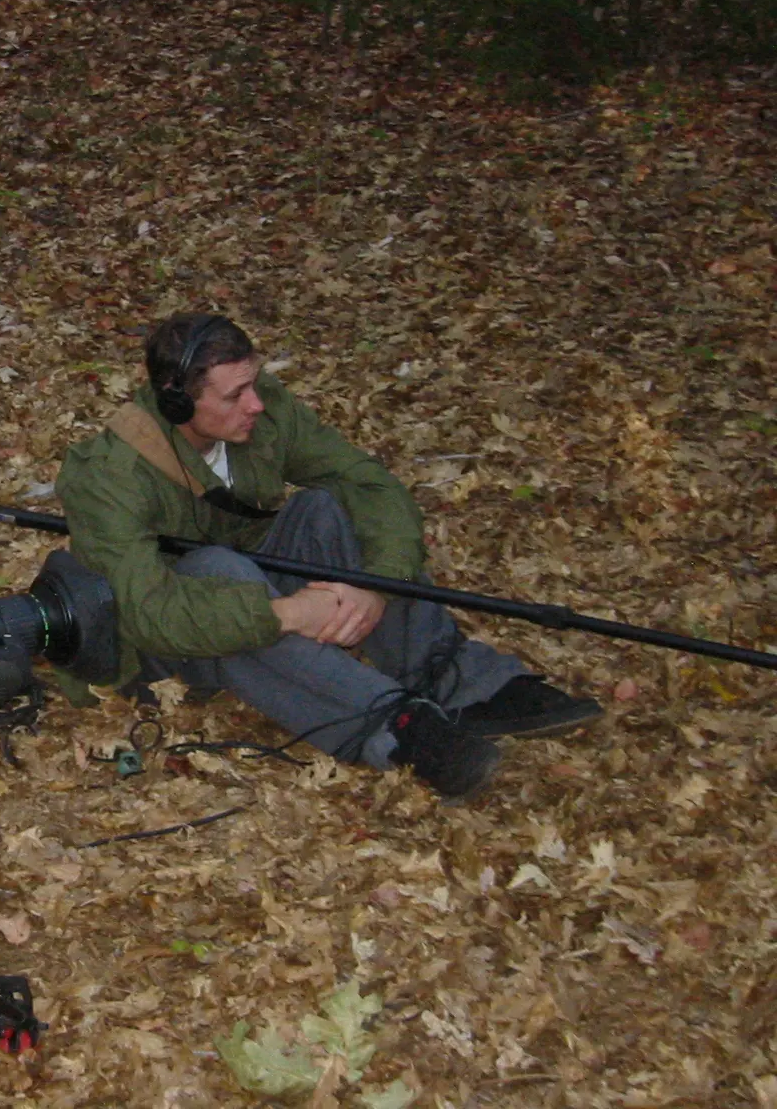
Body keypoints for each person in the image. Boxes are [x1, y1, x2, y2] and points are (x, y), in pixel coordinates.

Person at [55, 312, 601, 800]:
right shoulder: (108, 476)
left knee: (325, 508)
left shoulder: (262, 411)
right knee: (217, 574)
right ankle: (397, 728)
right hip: (158, 646)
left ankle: (455, 679)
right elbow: (152, 613)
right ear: (178, 401)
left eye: (253, 384)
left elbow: (366, 484)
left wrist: (377, 586)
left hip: (243, 576)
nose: (256, 404)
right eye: (235, 396)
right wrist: (289, 614)